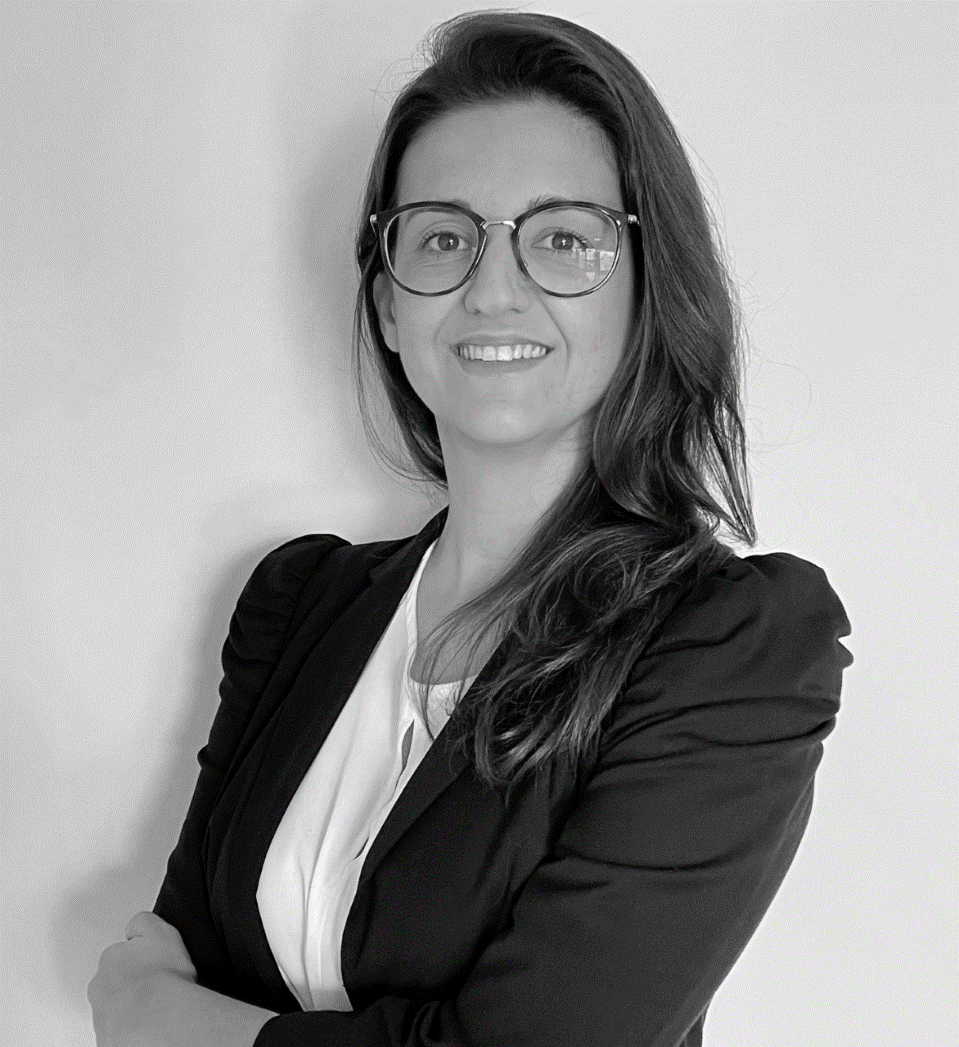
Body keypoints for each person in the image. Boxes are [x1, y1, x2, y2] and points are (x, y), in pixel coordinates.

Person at [87, 9, 853, 1047]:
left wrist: (161, 1020)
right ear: (387, 304)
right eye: (443, 237)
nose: (493, 290)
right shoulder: (295, 603)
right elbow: (184, 945)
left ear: (645, 291)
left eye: (562, 239)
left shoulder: (732, 643)